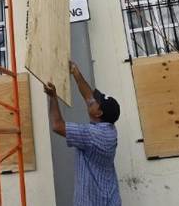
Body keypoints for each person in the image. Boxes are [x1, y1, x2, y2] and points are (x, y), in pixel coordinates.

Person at [44, 61, 121, 206]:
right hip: (109, 199)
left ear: (98, 113)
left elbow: (57, 126)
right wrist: (76, 72)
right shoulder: (109, 128)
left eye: (95, 101)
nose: (91, 99)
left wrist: (53, 97)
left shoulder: (93, 136)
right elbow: (88, 96)